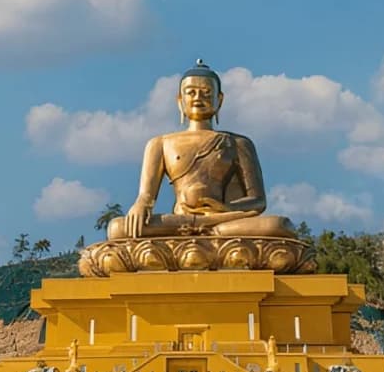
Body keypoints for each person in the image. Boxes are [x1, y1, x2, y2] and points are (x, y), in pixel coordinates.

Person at [107, 60, 295, 240]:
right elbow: (145, 196)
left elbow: (258, 201)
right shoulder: (160, 144)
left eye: (206, 92)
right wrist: (141, 205)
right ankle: (207, 232)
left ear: (219, 100)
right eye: (191, 92)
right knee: (117, 228)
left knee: (280, 225)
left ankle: (204, 231)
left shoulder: (237, 143)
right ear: (180, 100)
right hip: (180, 220)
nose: (198, 98)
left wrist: (223, 208)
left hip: (222, 219)